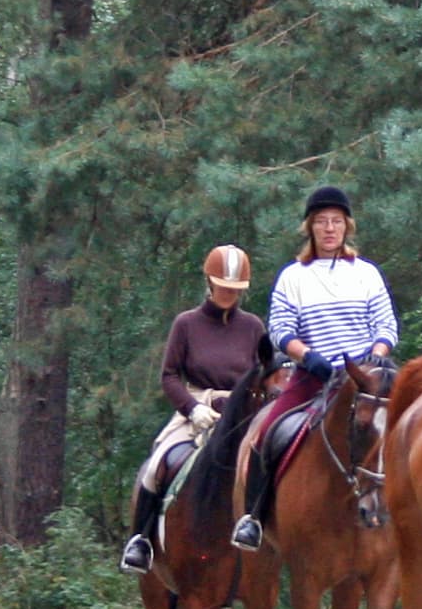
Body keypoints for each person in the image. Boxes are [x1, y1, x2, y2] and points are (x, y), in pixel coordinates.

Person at [231, 187, 398, 553]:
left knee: (410, 427)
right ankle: (255, 517)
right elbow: (281, 329)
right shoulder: (293, 276)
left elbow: (385, 324)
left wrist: (376, 355)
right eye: (321, 222)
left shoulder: (367, 273)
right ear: (310, 228)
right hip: (314, 375)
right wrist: (307, 356)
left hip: (365, 378)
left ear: (346, 227)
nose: (329, 229)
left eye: (336, 222)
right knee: (267, 433)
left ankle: (421, 513)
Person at [120, 245, 269, 574]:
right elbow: (169, 375)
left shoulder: (253, 327)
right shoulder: (186, 324)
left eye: (235, 288)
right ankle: (141, 540)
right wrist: (191, 408)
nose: (229, 293)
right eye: (223, 286)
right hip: (198, 409)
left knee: (268, 464)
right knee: (159, 463)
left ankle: (260, 530)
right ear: (209, 283)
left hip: (242, 414)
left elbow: (263, 374)